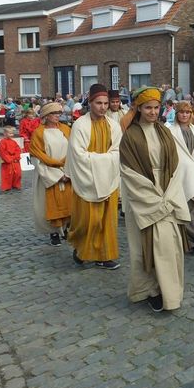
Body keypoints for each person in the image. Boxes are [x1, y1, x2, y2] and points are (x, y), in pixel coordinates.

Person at [120, 87, 191, 312]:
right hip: (145, 198)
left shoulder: (164, 131)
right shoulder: (130, 136)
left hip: (168, 194)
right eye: (148, 107)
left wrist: (169, 195)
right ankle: (148, 289)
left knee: (169, 246)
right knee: (144, 247)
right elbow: (129, 172)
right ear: (138, 108)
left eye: (156, 107)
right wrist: (154, 200)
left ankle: (168, 292)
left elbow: (175, 165)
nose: (152, 112)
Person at [66, 84, 122, 270]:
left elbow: (118, 151)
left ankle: (104, 256)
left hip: (109, 180)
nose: (103, 107)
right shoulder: (80, 125)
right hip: (87, 180)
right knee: (89, 220)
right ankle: (82, 249)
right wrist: (105, 160)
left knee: (107, 221)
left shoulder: (113, 125)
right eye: (99, 103)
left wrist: (102, 160)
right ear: (90, 103)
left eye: (106, 103)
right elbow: (78, 155)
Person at [29, 102, 73, 246]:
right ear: (46, 116)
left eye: (58, 114)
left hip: (66, 171)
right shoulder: (39, 133)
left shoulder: (66, 129)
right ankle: (54, 232)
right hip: (49, 174)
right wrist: (56, 176)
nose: (57, 117)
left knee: (68, 202)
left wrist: (68, 172)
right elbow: (37, 157)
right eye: (54, 114)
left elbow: (74, 151)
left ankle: (66, 229)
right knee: (50, 203)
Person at [170, 100, 194, 254]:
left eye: (187, 112)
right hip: (180, 174)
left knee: (193, 207)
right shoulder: (171, 131)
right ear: (177, 114)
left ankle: (192, 242)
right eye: (181, 112)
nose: (184, 115)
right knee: (181, 208)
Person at [0, 126, 22, 192]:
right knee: (7, 174)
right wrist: (8, 159)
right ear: (5, 133)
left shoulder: (14, 142)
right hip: (7, 161)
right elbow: (2, 152)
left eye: (12, 133)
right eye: (10, 133)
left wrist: (16, 157)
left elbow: (18, 150)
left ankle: (16, 184)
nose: (12, 135)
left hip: (15, 161)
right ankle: (6, 186)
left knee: (18, 174)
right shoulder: (2, 142)